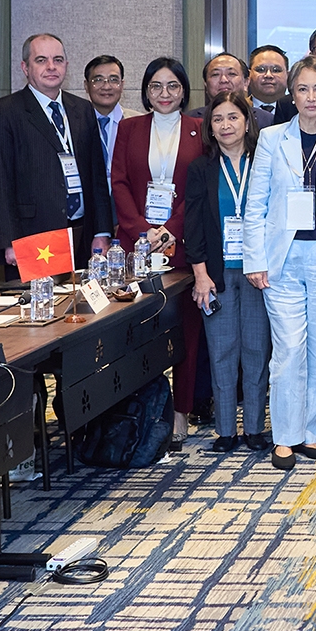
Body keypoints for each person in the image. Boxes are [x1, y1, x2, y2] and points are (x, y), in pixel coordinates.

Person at [244, 57, 316, 471]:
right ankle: (284, 436)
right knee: (289, 348)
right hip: (282, 258)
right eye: (303, 89)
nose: (311, 97)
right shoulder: (272, 138)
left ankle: (310, 434)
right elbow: (255, 203)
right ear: (292, 94)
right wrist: (255, 259)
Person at [111, 58, 210, 439]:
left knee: (186, 332)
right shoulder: (129, 128)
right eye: (156, 86)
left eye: (172, 86)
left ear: (184, 91)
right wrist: (143, 231)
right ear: (145, 91)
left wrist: (169, 229)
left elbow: (199, 189)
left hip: (183, 246)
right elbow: (119, 182)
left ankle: (181, 411)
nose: (164, 93)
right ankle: (141, 410)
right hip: (137, 248)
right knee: (137, 330)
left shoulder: (199, 130)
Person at [0, 33, 114, 269]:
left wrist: (102, 231)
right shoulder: (3, 112)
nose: (51, 66)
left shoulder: (83, 109)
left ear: (66, 66)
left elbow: (97, 178)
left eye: (58, 60)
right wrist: (9, 241)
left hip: (82, 234)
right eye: (41, 60)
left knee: (80, 294)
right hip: (32, 236)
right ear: (25, 67)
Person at [185, 90, 269, 453]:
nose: (225, 125)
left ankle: (254, 428)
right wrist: (200, 275)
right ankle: (225, 431)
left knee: (256, 352)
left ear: (247, 122)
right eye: (217, 119)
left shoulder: (264, 163)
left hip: (258, 273)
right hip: (216, 276)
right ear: (209, 127)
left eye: (233, 117)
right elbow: (193, 227)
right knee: (221, 352)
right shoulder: (200, 168)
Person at [84, 55, 130, 177]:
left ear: (122, 85)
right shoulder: (75, 124)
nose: (106, 87)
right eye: (98, 80)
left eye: (114, 80)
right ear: (86, 86)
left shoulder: (137, 123)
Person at [188, 52, 248, 121]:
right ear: (205, 84)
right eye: (215, 74)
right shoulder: (190, 120)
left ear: (246, 82)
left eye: (231, 74)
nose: (223, 80)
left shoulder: (259, 118)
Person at [245, 45, 292, 129]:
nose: (268, 75)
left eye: (276, 70)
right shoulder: (239, 109)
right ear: (249, 75)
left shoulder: (299, 111)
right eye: (261, 70)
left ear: (288, 76)